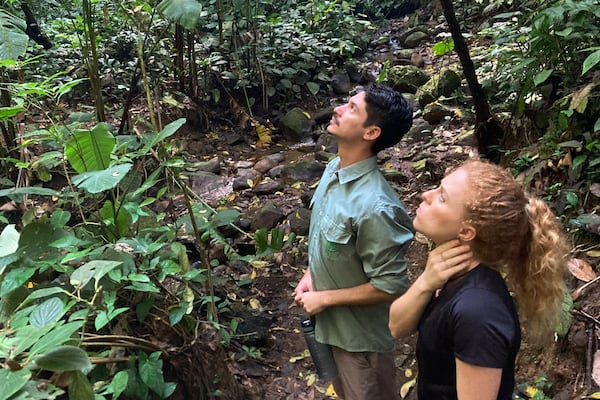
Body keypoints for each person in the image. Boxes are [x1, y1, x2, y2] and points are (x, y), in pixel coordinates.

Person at [389, 159, 570, 400]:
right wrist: (425, 282)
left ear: (466, 232)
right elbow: (396, 327)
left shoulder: (478, 311)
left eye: (442, 197)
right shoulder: (449, 272)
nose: (426, 195)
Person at [294, 82, 414, 400]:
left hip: (361, 341)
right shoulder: (334, 169)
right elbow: (323, 233)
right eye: (346, 103)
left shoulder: (376, 206)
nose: (338, 109)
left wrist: (326, 298)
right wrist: (310, 275)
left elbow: (391, 285)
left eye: (351, 109)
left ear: (371, 132)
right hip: (331, 328)